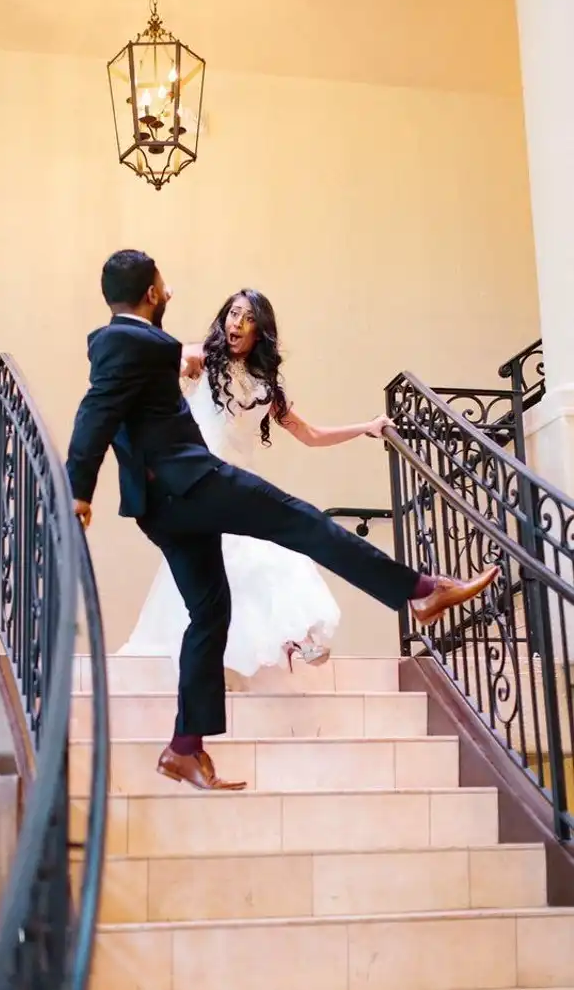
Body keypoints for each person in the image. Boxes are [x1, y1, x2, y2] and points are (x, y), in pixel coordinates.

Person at [67, 249, 499, 793]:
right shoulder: (134, 343)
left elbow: (127, 400)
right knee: (301, 521)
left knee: (210, 612)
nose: (171, 290)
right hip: (191, 484)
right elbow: (96, 410)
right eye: (163, 284)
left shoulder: (142, 346)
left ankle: (185, 748)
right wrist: (78, 490)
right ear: (151, 294)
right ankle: (418, 591)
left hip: (167, 505)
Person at [119, 288, 393, 676]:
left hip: (239, 483)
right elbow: (164, 364)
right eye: (234, 313)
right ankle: (289, 640)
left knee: (266, 555)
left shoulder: (266, 386)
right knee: (244, 563)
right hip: (200, 482)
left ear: (259, 332)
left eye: (248, 318)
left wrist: (365, 427)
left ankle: (290, 639)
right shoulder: (203, 358)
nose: (238, 323)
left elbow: (310, 434)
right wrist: (175, 361)